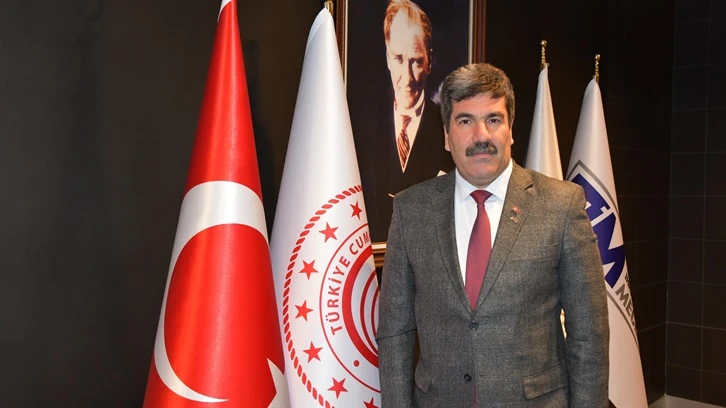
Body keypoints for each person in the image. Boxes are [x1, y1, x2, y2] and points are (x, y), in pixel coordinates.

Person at [376, 62, 609, 407]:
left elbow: (589, 335)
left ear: (510, 130)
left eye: (494, 119)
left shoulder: (561, 205)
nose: (481, 136)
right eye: (465, 121)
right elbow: (395, 331)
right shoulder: (412, 210)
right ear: (446, 136)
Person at [362, 0, 454, 241]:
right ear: (387, 57)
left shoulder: (449, 128)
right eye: (399, 59)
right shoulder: (361, 128)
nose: (407, 77)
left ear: (429, 61)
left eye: (416, 61)